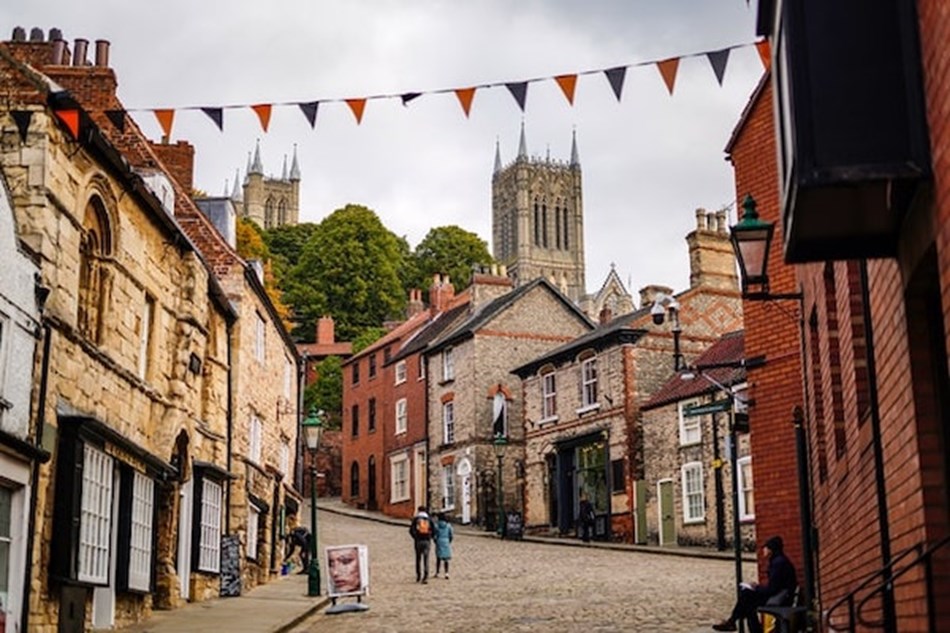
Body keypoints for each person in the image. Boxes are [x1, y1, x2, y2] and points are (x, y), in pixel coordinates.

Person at [712, 535, 798, 633]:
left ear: (771, 549)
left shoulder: (778, 563)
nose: (763, 551)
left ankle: (733, 622)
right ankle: (734, 622)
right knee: (748, 602)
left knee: (746, 596)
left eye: (765, 548)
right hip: (783, 596)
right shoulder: (779, 561)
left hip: (781, 599)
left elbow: (772, 589)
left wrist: (756, 588)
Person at [409, 505, 434, 583]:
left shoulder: (416, 519)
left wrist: (415, 537)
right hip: (426, 540)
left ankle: (418, 576)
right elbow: (434, 529)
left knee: (418, 558)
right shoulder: (429, 519)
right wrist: (430, 537)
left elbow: (411, 530)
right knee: (426, 559)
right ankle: (425, 577)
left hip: (418, 541)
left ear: (419, 510)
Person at [433, 513, 454, 579]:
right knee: (446, 559)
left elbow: (435, 535)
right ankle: (446, 573)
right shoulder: (448, 526)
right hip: (446, 541)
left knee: (438, 558)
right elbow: (451, 535)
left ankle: (437, 572)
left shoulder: (436, 526)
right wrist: (449, 541)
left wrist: (435, 541)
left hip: (439, 541)